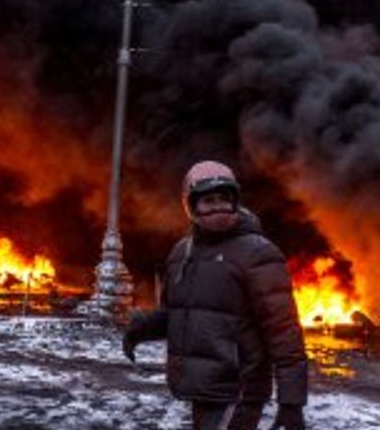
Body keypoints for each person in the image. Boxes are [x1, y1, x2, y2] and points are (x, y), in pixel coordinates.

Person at [123, 161, 307, 430]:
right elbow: (180, 312)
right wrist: (142, 329)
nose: (218, 207)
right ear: (190, 205)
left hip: (239, 390)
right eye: (208, 201)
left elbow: (284, 332)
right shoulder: (181, 253)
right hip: (203, 386)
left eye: (225, 198)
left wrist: (291, 401)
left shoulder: (257, 253)